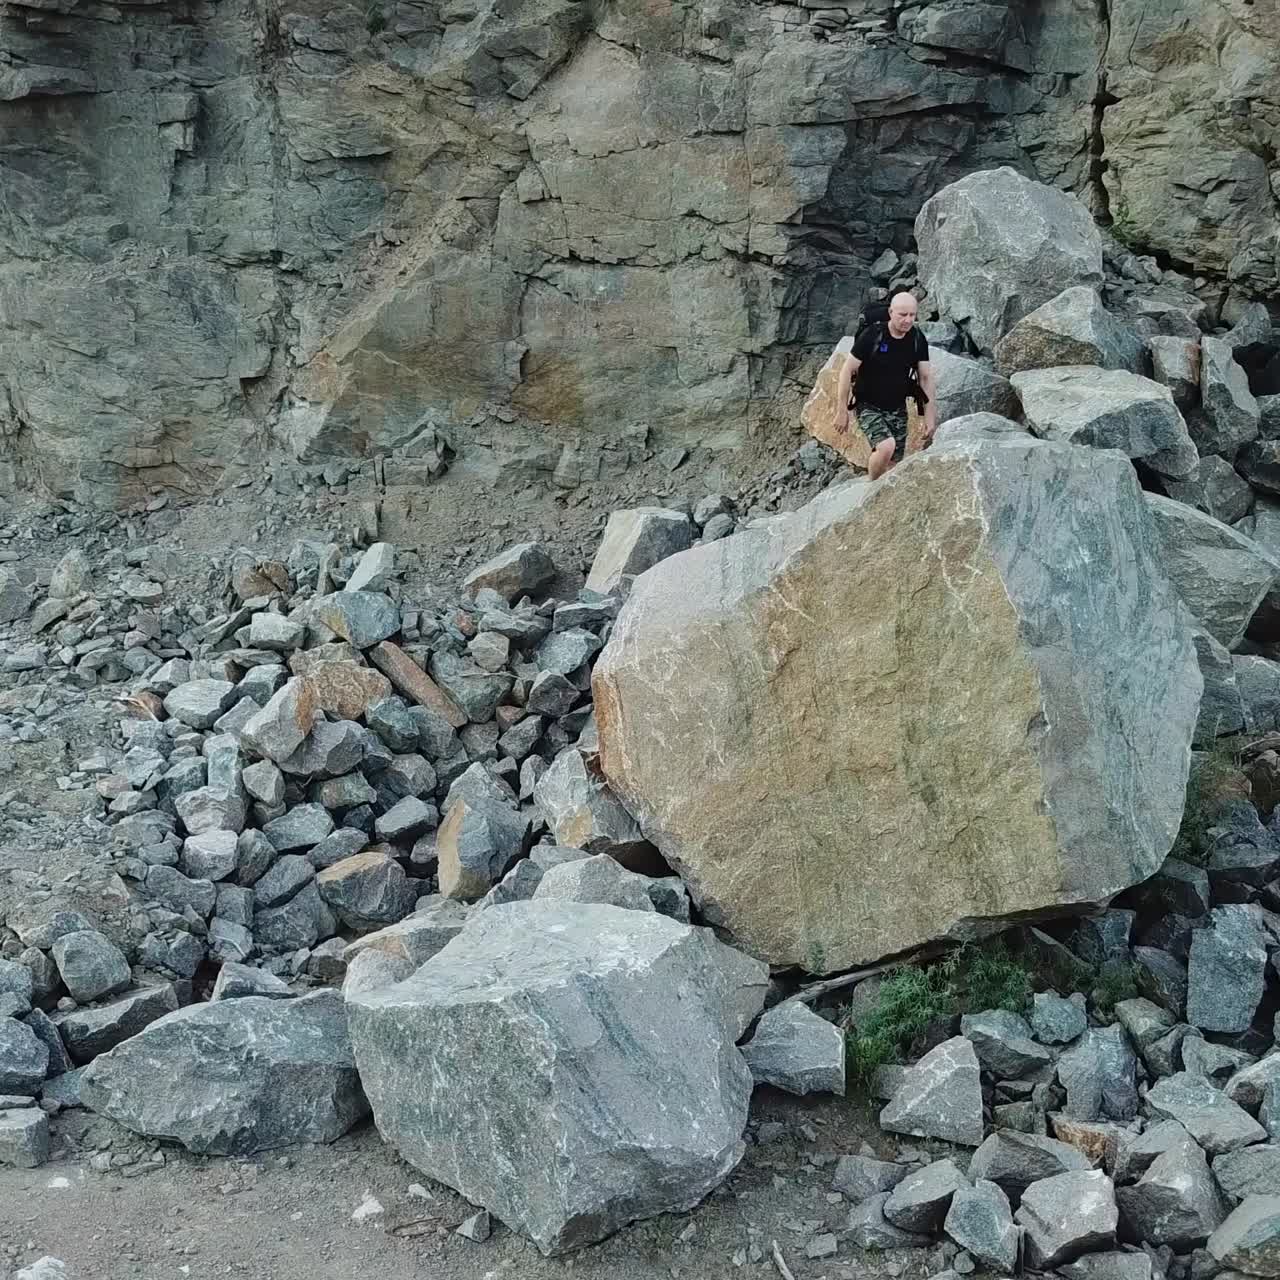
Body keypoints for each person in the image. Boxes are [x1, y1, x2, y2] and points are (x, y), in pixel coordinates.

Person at [835, 292, 937, 480]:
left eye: (912, 315)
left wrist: (930, 417)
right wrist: (842, 411)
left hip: (897, 406)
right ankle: (871, 486)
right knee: (885, 446)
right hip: (868, 404)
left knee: (893, 463)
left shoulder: (917, 338)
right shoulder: (873, 335)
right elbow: (847, 370)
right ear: (891, 312)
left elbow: (925, 377)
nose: (907, 320)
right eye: (902, 315)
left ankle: (879, 493)